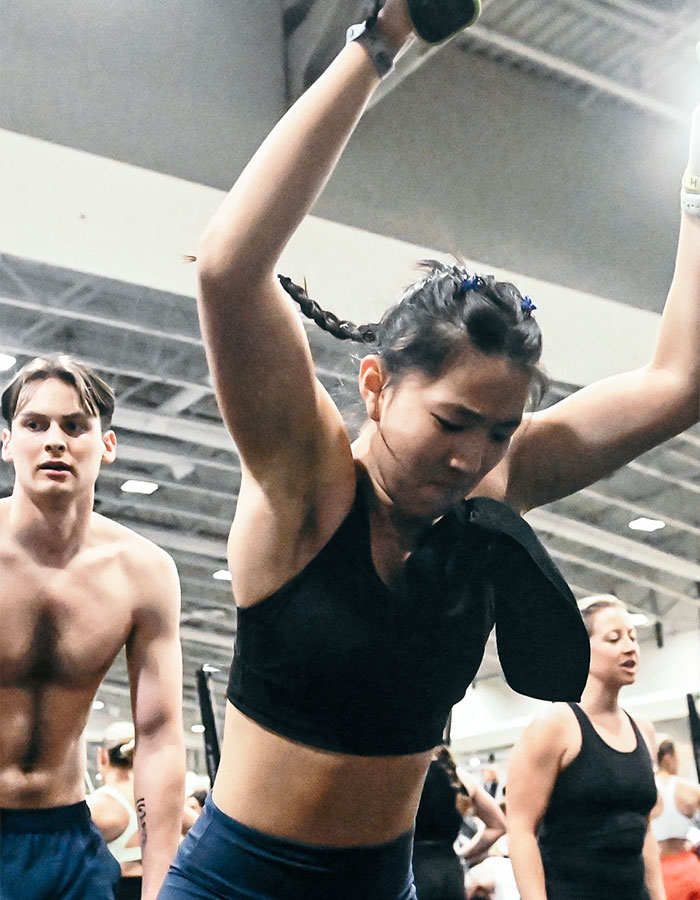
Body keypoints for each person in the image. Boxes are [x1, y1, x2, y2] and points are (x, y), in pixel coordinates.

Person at [159, 0, 700, 894]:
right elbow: (228, 268)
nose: (472, 457)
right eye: (451, 423)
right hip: (237, 882)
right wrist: (381, 41)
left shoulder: (498, 485)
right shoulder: (307, 479)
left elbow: (680, 381)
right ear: (375, 384)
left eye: (500, 431)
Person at [0, 355, 186, 900]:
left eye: (75, 426)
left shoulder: (143, 571)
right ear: (7, 442)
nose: (55, 441)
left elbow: (157, 737)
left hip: (68, 843)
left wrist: (160, 885)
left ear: (106, 445)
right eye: (35, 425)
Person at [506, 596, 665, 900]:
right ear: (581, 647)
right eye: (614, 639)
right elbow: (521, 829)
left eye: (633, 636)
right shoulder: (553, 727)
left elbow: (644, 831)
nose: (630, 646)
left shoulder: (644, 730)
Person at [413, 745, 506, 900]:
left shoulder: (402, 774)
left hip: (414, 871)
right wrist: (463, 855)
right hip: (450, 872)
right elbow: (498, 826)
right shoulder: (458, 776)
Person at [88, 723, 143, 900]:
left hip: (117, 891)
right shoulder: (159, 799)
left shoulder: (97, 805)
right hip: (158, 888)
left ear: (103, 756)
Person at [652, 738, 700, 900]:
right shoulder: (690, 789)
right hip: (689, 868)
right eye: (677, 758)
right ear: (668, 758)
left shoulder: (645, 792)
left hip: (661, 870)